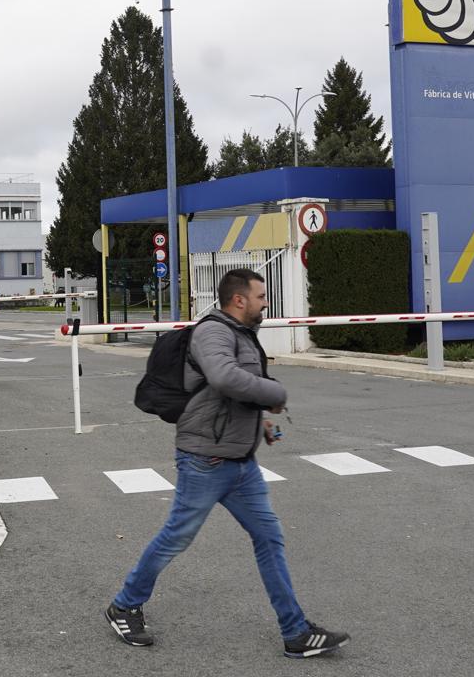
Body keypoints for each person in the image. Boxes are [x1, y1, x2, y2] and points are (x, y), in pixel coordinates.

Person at [105, 269, 349, 659]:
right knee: (176, 538)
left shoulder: (241, 334)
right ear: (239, 300)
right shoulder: (213, 332)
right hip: (205, 460)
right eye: (261, 296)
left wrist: (263, 420)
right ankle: (124, 604)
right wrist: (276, 394)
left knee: (269, 538)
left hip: (240, 463)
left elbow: (238, 387)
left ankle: (295, 632)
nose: (265, 302)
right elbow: (223, 378)